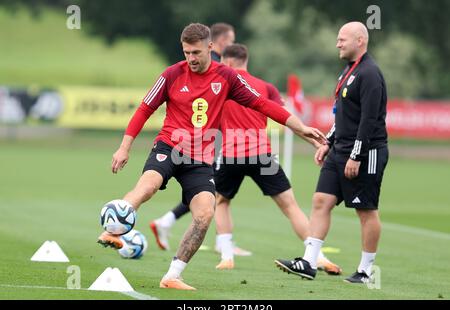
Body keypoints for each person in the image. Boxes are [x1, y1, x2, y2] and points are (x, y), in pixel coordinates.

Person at [97, 23, 328, 291]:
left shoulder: (227, 77)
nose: (191, 59)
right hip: (169, 147)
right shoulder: (172, 75)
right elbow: (144, 108)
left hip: (200, 160)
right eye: (186, 53)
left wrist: (301, 129)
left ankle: (172, 276)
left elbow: (263, 104)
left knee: (205, 214)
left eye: (196, 52)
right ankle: (112, 230)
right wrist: (124, 147)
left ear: (210, 47)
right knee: (147, 187)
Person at [211, 44, 341, 275]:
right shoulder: (266, 87)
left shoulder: (220, 84)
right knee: (290, 205)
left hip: (231, 154)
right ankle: (317, 256)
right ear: (246, 60)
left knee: (221, 202)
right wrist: (311, 140)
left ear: (228, 63)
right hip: (262, 154)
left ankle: (227, 256)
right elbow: (284, 117)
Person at [275, 21, 388, 284]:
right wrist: (327, 142)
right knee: (320, 201)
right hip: (339, 150)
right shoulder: (348, 71)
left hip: (365, 152)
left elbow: (369, 120)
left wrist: (356, 156)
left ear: (360, 41)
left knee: (366, 211)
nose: (337, 43)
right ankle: (309, 262)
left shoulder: (370, 73)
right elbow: (343, 115)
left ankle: (366, 270)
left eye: (342, 39)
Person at [150, 22, 251, 257]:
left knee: (208, 191)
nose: (232, 44)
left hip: (210, 139)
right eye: (231, 39)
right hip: (208, 140)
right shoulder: (212, 66)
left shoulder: (213, 66)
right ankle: (222, 241)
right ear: (220, 42)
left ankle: (170, 222)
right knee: (209, 191)